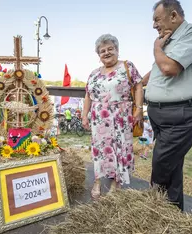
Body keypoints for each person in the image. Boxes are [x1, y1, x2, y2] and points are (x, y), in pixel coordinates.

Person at [144, 0, 192, 210]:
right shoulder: (169, 41)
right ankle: (172, 216)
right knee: (172, 167)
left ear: (173, 16)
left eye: (157, 19)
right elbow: (156, 71)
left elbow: (168, 68)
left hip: (183, 112)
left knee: (161, 165)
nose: (154, 25)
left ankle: (152, 209)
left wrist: (156, 48)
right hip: (163, 114)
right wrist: (136, 82)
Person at [82, 33, 144, 199]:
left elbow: (138, 86)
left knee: (119, 147)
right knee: (100, 149)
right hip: (99, 118)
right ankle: (97, 179)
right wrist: (84, 115)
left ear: (117, 50)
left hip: (121, 115)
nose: (107, 52)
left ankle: (117, 181)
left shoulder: (127, 66)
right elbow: (88, 95)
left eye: (110, 49)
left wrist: (138, 108)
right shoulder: (94, 73)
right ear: (98, 55)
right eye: (102, 50)